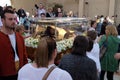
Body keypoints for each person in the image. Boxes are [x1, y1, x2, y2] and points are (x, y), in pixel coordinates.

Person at [0, 9, 28, 80]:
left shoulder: (19, 37)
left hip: (20, 73)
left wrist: (25, 70)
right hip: (4, 75)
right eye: (10, 19)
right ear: (3, 20)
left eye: (14, 19)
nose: (13, 21)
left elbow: (24, 56)